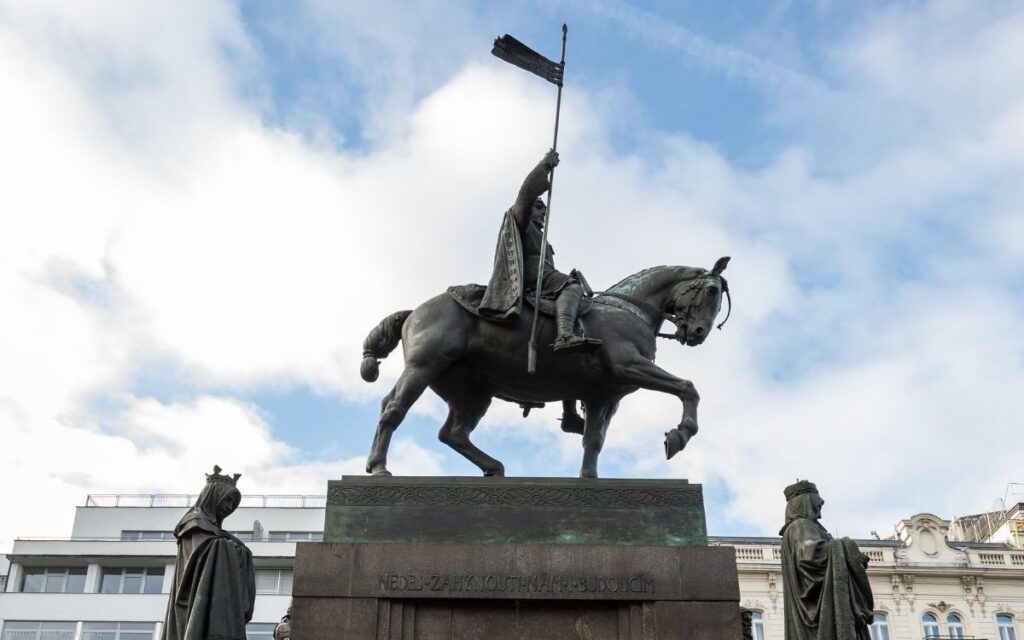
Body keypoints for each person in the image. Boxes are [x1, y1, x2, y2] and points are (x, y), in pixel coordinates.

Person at [478, 149, 597, 353]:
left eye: (545, 209)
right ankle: (564, 336)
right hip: (533, 274)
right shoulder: (522, 223)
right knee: (572, 287)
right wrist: (545, 165)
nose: (543, 212)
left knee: (568, 284)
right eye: (539, 207)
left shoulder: (542, 237)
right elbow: (527, 192)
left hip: (544, 277)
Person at [163, 466, 255, 640]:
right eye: (227, 500)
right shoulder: (194, 522)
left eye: (232, 503)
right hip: (192, 599)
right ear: (214, 496)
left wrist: (242, 552)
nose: (229, 506)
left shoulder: (215, 530)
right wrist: (235, 549)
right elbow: (205, 551)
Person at [779, 480, 874, 640]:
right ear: (805, 503)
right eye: (817, 507)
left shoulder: (802, 528)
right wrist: (847, 548)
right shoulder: (800, 525)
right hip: (817, 624)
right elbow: (811, 557)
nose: (820, 515)